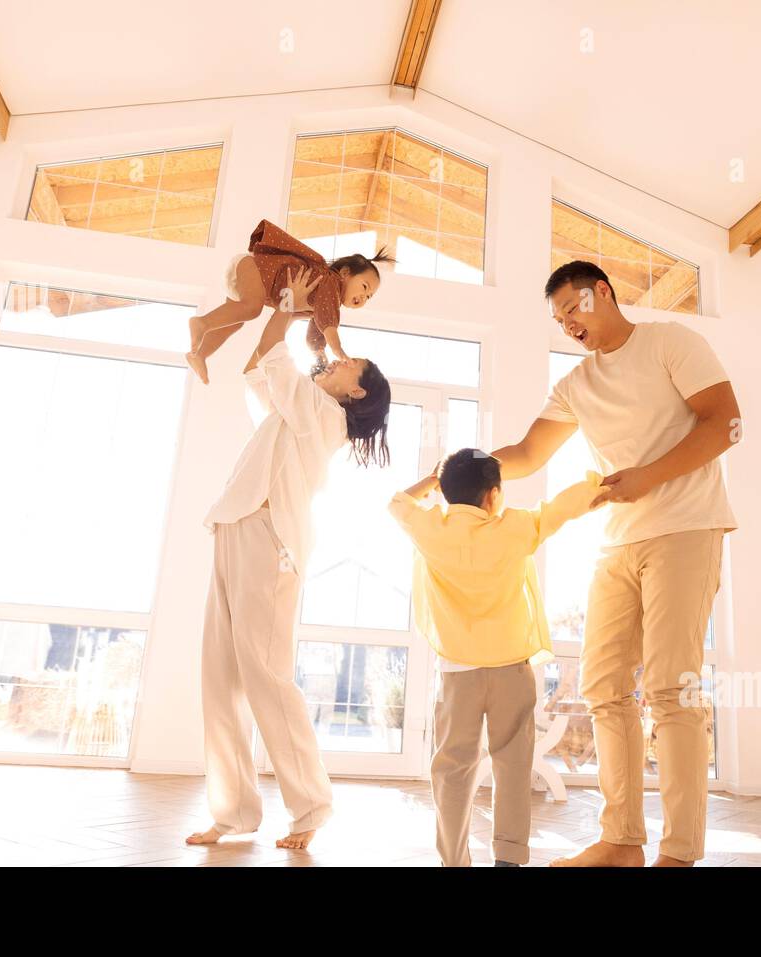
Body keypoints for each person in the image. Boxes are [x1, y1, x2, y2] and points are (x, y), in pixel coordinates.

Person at [490, 260, 739, 868]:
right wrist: (460, 467)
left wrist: (647, 477)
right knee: (603, 686)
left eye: (574, 308)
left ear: (602, 291)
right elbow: (526, 452)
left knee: (670, 688)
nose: (568, 324)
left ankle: (679, 854)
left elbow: (726, 423)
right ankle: (622, 839)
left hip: (686, 527)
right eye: (558, 320)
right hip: (617, 541)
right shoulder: (575, 384)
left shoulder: (670, 343)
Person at [186, 265, 392, 851]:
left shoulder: (322, 416)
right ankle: (232, 813)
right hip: (235, 525)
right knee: (221, 677)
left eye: (348, 365)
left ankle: (311, 805)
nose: (336, 360)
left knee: (266, 678)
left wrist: (289, 305)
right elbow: (258, 366)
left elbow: (273, 355)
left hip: (270, 540)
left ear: (355, 393)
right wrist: (288, 309)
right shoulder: (297, 408)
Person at [388, 447, 602, 866]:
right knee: (513, 764)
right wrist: (597, 486)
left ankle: (454, 859)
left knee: (452, 769)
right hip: (511, 671)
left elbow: (397, 502)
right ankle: (508, 856)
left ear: (446, 491)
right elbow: (560, 509)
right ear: (492, 495)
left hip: (457, 675)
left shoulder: (430, 529)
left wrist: (434, 479)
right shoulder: (515, 529)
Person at [185, 218, 393, 384]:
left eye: (368, 297)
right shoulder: (330, 282)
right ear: (345, 273)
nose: (363, 297)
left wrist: (317, 350)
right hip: (252, 269)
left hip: (247, 280)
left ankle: (200, 354)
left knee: (235, 321)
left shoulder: (322, 302)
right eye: (364, 287)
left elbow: (317, 328)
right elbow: (328, 323)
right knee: (252, 308)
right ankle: (201, 323)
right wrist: (337, 349)